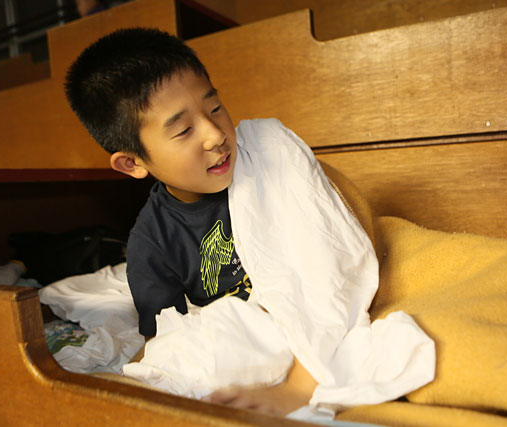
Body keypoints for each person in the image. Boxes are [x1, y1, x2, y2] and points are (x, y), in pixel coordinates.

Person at [64, 27, 317, 416]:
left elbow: (327, 269)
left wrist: (300, 384)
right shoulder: (152, 244)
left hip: (307, 324)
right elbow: (170, 345)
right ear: (133, 162)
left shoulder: (268, 159)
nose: (215, 135)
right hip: (251, 337)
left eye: (214, 108)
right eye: (183, 130)